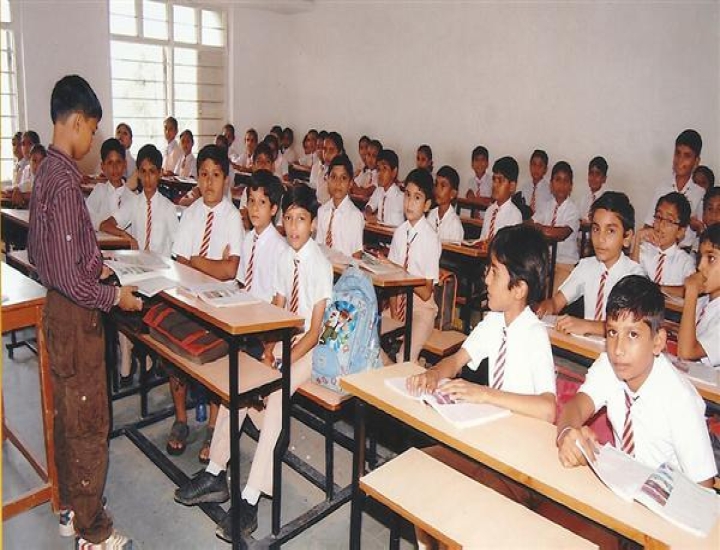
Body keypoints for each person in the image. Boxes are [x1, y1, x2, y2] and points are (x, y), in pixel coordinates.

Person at [177, 185, 333, 542]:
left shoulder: (320, 265)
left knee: (275, 397)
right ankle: (215, 472)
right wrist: (268, 350)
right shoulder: (284, 258)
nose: (293, 227)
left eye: (301, 219)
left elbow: (314, 332)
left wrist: (283, 362)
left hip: (310, 350)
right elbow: (276, 311)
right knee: (243, 384)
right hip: (283, 340)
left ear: (313, 223)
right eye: (289, 219)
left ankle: (250, 498)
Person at [28, 74, 140, 549]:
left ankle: (72, 507)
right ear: (76, 122)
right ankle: (94, 533)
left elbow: (43, 253)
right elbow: (74, 281)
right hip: (77, 316)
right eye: (92, 129)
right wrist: (116, 297)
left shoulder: (45, 176)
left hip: (60, 311)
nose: (93, 139)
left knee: (68, 416)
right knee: (90, 422)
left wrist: (96, 264)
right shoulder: (65, 184)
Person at [407, 224, 556, 550]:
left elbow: (548, 408)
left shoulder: (534, 335)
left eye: (494, 272)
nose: (485, 279)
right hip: (486, 444)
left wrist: (485, 394)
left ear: (519, 288)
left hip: (516, 464)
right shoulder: (494, 323)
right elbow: (457, 360)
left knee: (465, 512)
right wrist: (434, 374)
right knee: (420, 469)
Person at [557, 275, 716, 487]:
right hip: (621, 483)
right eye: (612, 332)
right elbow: (576, 406)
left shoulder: (679, 399)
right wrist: (568, 434)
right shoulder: (609, 366)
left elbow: (703, 488)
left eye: (632, 335)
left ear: (657, 342)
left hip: (667, 496)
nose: (618, 349)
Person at [169, 144, 244, 462]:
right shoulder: (191, 214)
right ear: (196, 178)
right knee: (174, 352)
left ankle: (214, 426)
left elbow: (230, 271)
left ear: (226, 179)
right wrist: (211, 264)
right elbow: (180, 261)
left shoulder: (233, 218)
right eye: (203, 175)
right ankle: (181, 419)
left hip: (220, 303)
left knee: (215, 362)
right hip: (188, 295)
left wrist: (198, 261)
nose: (209, 182)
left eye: (216, 175)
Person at [536, 192, 644, 337]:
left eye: (610, 231)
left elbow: (626, 326)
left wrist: (586, 325)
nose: (600, 238)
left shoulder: (635, 276)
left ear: (627, 237)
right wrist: (545, 307)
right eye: (596, 229)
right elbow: (556, 302)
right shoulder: (586, 266)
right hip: (585, 345)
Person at [386, 168, 441, 363]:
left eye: (417, 198)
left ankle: (412, 367)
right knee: (369, 341)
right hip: (399, 302)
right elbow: (391, 281)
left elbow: (426, 293)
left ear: (427, 205)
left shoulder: (431, 239)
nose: (409, 202)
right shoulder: (399, 233)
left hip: (421, 310)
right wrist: (394, 312)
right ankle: (392, 372)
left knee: (404, 357)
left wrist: (402, 273)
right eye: (407, 195)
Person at [642, 129, 705, 249]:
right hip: (657, 248)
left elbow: (702, 234)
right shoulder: (662, 188)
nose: (680, 160)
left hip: (685, 252)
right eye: (677, 153)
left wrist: (695, 225)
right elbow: (649, 224)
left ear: (696, 161)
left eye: (687, 156)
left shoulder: (700, 194)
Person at [633, 192, 694, 297]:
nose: (661, 225)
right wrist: (637, 238)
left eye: (669, 221)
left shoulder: (685, 261)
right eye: (658, 217)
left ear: (680, 231)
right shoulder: (643, 249)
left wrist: (656, 288)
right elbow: (630, 278)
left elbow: (688, 290)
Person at [532, 161, 581, 291]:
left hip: (564, 264)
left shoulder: (573, 210)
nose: (561, 185)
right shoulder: (545, 206)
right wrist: (537, 226)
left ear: (571, 186)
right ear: (551, 184)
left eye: (566, 181)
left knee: (554, 297)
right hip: (545, 262)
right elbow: (531, 223)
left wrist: (540, 227)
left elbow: (561, 233)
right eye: (558, 180)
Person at [678, 224, 720, 366]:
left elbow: (686, 353)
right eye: (700, 257)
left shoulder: (695, 298)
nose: (700, 266)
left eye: (711, 258)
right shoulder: (704, 302)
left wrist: (691, 292)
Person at [316, 154, 364, 257]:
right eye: (333, 177)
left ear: (350, 183)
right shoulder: (322, 211)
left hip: (345, 266)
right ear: (327, 179)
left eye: (343, 178)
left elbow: (357, 254)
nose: (338, 183)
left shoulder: (355, 216)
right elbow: (318, 246)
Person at [85, 138, 137, 231]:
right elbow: (86, 216)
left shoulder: (132, 198)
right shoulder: (99, 191)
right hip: (100, 240)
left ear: (125, 164)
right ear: (103, 167)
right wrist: (102, 225)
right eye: (110, 163)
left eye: (118, 162)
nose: (115, 167)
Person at [479, 156, 523, 242]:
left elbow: (511, 247)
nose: (495, 185)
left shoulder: (515, 216)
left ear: (512, 186)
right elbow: (483, 239)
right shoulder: (489, 210)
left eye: (500, 181)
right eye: (494, 179)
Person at [365, 148, 404, 227]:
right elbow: (369, 206)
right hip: (378, 232)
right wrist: (368, 215)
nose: (380, 173)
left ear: (394, 172)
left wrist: (377, 220)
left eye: (384, 168)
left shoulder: (401, 197)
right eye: (378, 169)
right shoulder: (379, 190)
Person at [426, 165, 464, 243]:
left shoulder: (455, 224)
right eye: (436, 184)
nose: (437, 189)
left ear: (453, 194)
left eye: (443, 186)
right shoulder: (431, 214)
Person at [519, 149, 551, 215]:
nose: (536, 168)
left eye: (540, 165)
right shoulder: (524, 188)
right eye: (534, 164)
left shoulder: (549, 191)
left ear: (545, 169)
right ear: (530, 166)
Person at [578, 156, 610, 223]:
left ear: (604, 179)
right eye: (591, 173)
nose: (593, 178)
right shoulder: (584, 199)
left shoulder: (606, 200)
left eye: (598, 174)